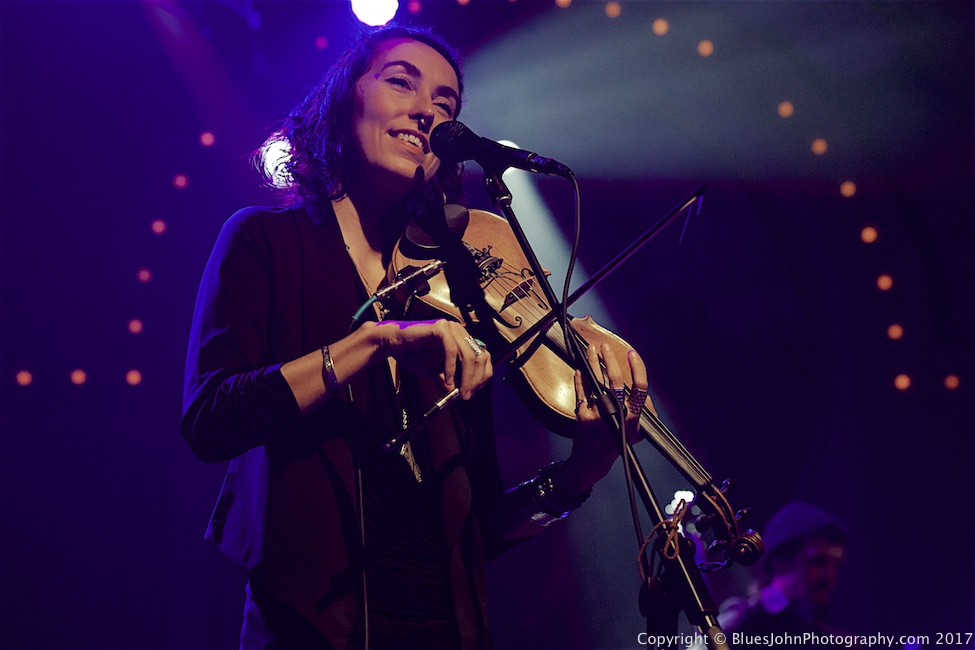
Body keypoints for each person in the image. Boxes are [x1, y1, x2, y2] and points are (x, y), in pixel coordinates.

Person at [181, 24, 650, 649]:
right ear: (344, 100)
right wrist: (375, 341)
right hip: (309, 620)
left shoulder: (457, 289)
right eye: (401, 81)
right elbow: (212, 418)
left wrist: (577, 478)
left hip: (440, 625)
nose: (427, 110)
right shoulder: (265, 242)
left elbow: (482, 526)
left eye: (447, 104)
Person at [724, 501, 848, 647]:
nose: (829, 575)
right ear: (779, 559)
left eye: (836, 565)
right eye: (818, 562)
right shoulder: (738, 624)